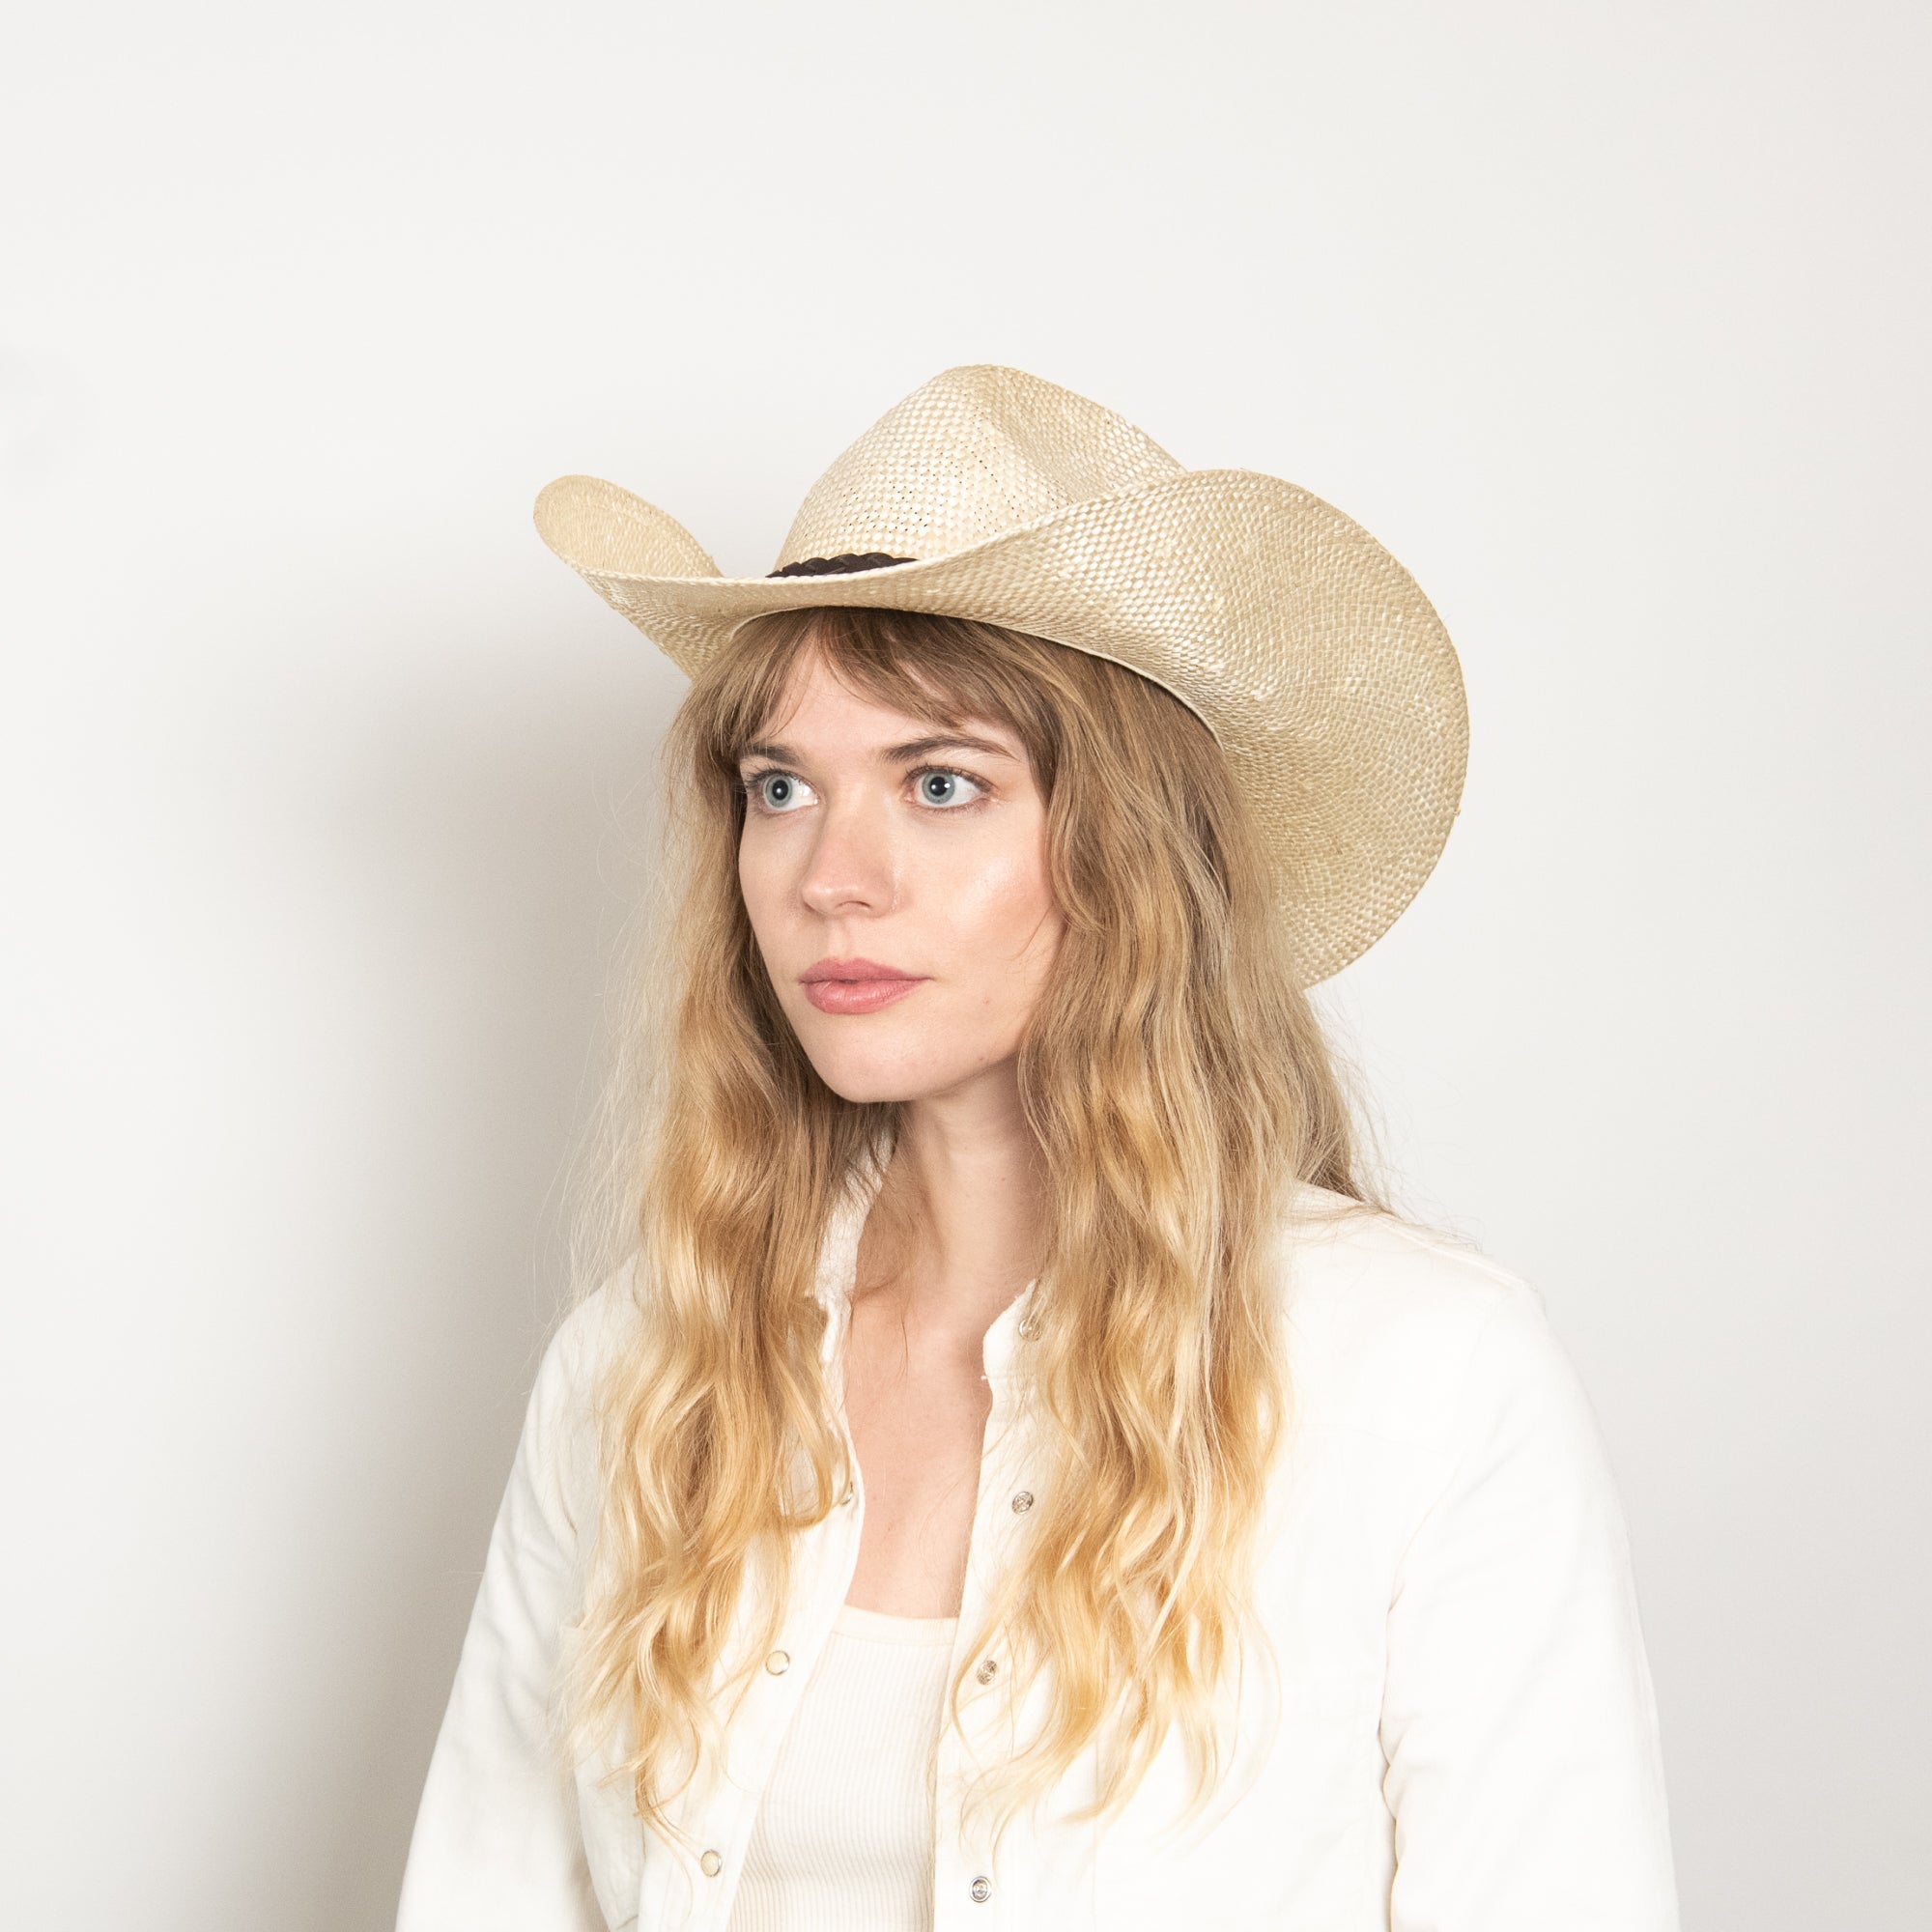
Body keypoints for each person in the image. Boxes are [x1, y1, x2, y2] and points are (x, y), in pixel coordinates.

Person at [394, 366, 1680, 1931]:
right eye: (779, 788)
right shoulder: (641, 1371)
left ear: (1127, 854)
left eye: (942, 784)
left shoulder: (1420, 1370)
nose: (830, 877)